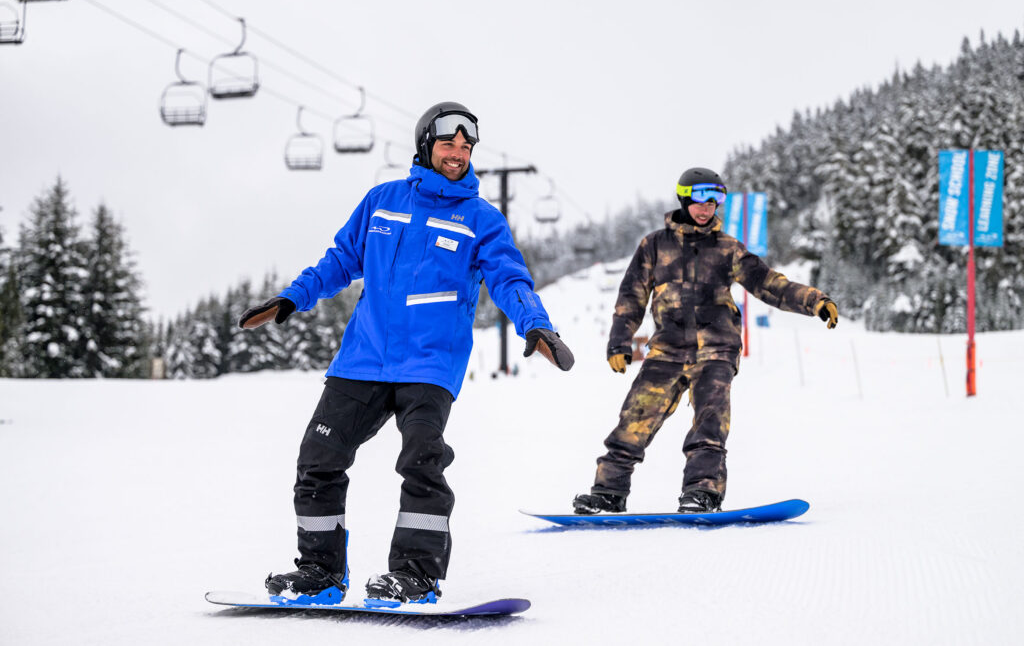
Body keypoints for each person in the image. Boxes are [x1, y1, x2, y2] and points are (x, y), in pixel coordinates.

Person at [238, 101, 574, 605]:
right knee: (318, 459)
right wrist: (293, 297)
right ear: (425, 145)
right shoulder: (382, 201)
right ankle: (320, 572)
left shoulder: (481, 218)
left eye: (466, 147)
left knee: (422, 461)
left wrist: (536, 324)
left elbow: (508, 277)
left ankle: (416, 573)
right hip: (362, 357)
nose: (458, 154)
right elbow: (340, 261)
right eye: (448, 144)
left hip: (430, 363)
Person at [572, 167, 838, 515]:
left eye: (715, 201)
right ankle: (608, 492)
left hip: (716, 349)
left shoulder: (728, 248)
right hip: (667, 350)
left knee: (710, 423)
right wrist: (619, 342)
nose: (706, 208)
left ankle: (702, 491)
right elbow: (631, 297)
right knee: (635, 418)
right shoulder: (654, 245)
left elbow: (768, 283)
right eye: (699, 199)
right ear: (684, 198)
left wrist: (814, 300)